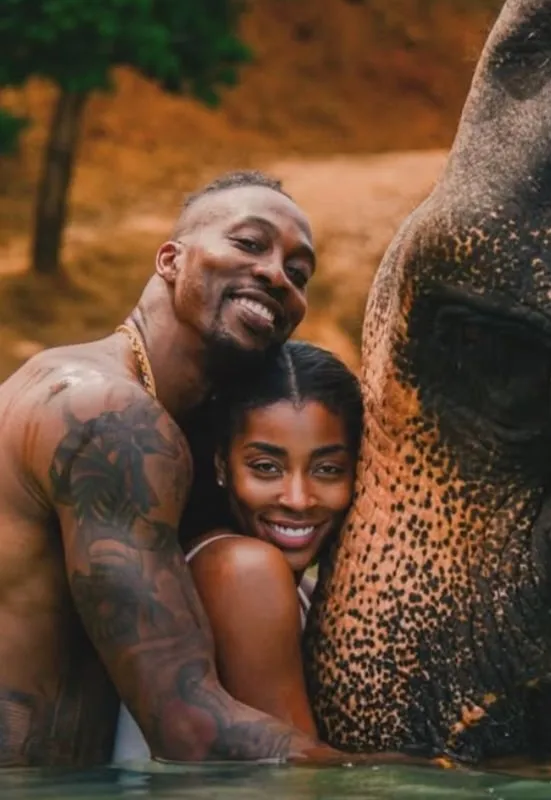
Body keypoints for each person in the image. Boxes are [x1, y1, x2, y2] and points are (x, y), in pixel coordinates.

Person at [0, 170, 343, 766]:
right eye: (250, 243)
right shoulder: (107, 415)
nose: (275, 275)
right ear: (170, 260)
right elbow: (190, 729)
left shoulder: (149, 417)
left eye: (299, 272)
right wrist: (438, 781)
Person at [111, 340, 363, 764]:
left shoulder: (288, 584)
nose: (299, 498)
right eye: (266, 467)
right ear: (222, 467)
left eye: (327, 469)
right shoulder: (243, 569)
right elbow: (298, 776)